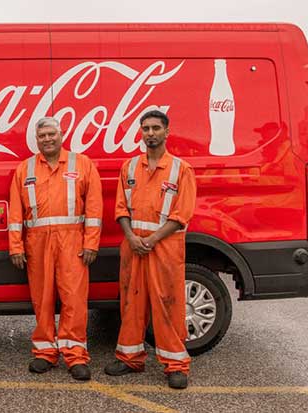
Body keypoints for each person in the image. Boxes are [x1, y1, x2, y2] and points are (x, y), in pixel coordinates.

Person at [104, 110, 196, 390]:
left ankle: (176, 365)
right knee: (131, 305)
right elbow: (120, 208)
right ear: (140, 133)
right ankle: (130, 357)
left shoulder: (182, 170)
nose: (150, 133)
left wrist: (152, 239)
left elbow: (182, 215)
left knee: (168, 304)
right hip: (133, 247)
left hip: (165, 248)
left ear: (167, 132)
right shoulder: (129, 168)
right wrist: (131, 237)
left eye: (156, 128)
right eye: (146, 128)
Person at [8, 117, 103, 381]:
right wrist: (15, 246)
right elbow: (16, 213)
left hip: (72, 243)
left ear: (61, 135)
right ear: (36, 140)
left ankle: (75, 356)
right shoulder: (24, 169)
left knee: (74, 298)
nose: (47, 139)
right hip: (37, 243)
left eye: (52, 134)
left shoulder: (81, 164)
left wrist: (91, 242)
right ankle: (45, 352)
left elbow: (94, 208)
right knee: (43, 298)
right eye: (42, 136)